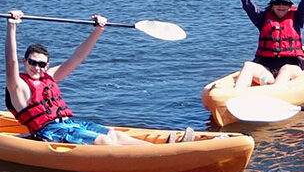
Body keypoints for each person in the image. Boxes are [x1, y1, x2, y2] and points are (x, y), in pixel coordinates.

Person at [4, 10, 179, 145]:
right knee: (103, 141)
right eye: (32, 62)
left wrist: (98, 30)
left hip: (71, 123)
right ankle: (148, 158)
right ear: (24, 61)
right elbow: (10, 61)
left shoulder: (49, 77)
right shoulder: (18, 86)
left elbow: (77, 57)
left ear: (47, 66)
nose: (36, 67)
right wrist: (12, 26)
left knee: (114, 134)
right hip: (50, 131)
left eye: (41, 64)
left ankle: (162, 150)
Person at [234, 0, 304, 88]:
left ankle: (275, 95)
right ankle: (235, 97)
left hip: (293, 70)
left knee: (285, 69)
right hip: (267, 74)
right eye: (277, 3)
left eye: (285, 3)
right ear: (271, 6)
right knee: (248, 66)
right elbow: (247, 4)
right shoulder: (262, 18)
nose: (281, 6)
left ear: (290, 6)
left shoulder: (298, 17)